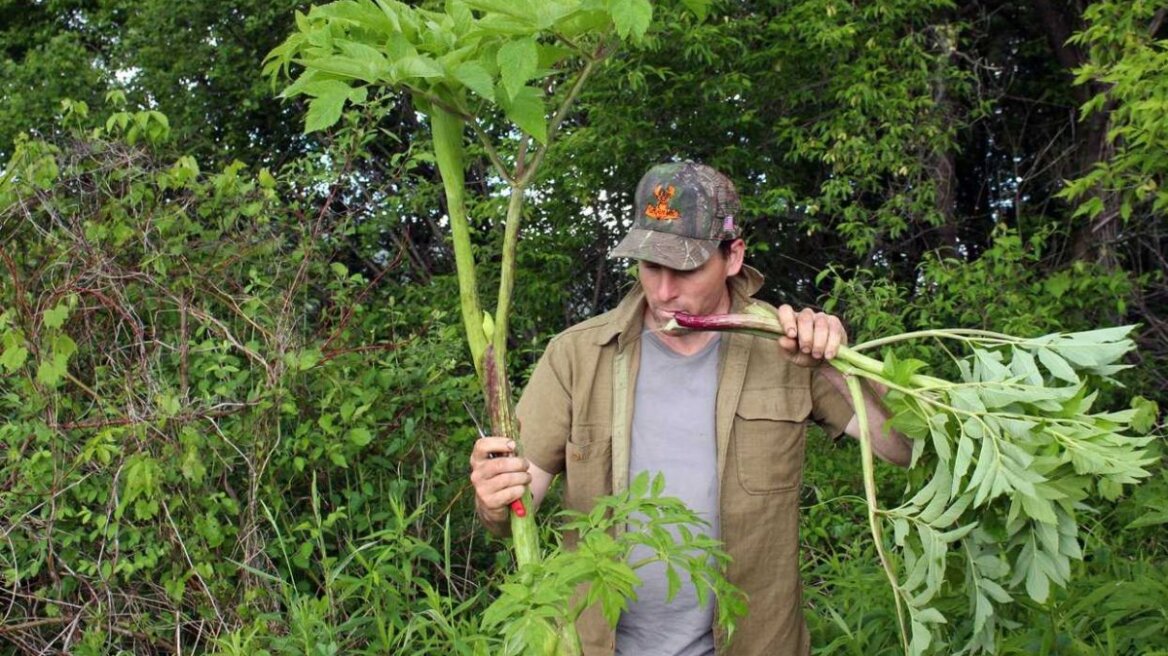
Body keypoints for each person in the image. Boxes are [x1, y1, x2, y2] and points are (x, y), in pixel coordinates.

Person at [469, 161, 911, 656]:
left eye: (684, 268)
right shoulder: (577, 356)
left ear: (734, 256)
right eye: (649, 265)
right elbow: (515, 509)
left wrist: (832, 363)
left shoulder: (784, 347)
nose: (662, 291)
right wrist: (493, 498)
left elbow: (902, 446)